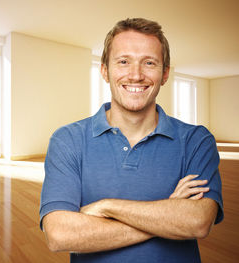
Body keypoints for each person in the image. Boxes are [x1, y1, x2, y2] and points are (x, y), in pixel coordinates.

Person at [39, 18, 223, 263]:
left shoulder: (196, 141)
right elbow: (60, 234)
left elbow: (198, 222)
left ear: (165, 73)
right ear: (105, 70)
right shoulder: (67, 140)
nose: (136, 75)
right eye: (123, 61)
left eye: (149, 63)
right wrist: (167, 214)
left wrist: (107, 207)